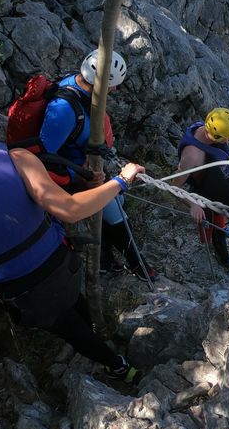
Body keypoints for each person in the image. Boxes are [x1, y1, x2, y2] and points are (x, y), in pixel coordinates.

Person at [0, 86, 145, 384]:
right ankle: (117, 365)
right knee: (71, 311)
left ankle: (104, 353)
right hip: (59, 268)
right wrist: (121, 180)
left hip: (15, 292)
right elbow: (69, 209)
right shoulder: (15, 159)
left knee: (64, 324)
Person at [38, 48, 155, 281]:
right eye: (113, 86)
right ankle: (136, 263)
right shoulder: (63, 110)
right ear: (101, 84)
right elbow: (43, 158)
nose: (115, 90)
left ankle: (104, 259)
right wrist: (78, 176)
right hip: (68, 178)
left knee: (118, 200)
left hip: (85, 170)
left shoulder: (79, 84)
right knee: (114, 208)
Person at [171, 108, 229, 272]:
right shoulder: (192, 155)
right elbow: (174, 186)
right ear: (214, 135)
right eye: (226, 138)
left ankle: (219, 233)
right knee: (217, 230)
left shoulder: (204, 127)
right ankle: (225, 259)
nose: (228, 142)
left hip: (224, 183)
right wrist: (193, 204)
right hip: (209, 195)